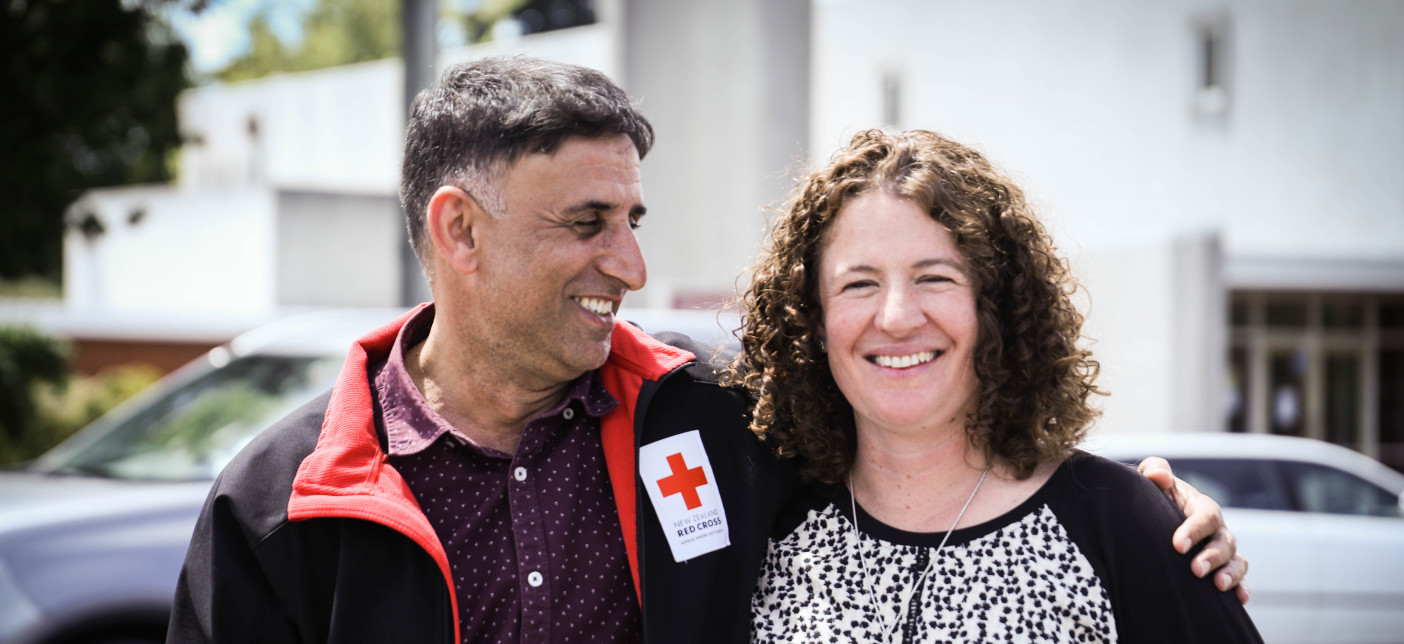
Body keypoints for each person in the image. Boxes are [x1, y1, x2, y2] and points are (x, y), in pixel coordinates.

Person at [167, 58, 1244, 644]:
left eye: (634, 219)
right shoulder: (281, 507)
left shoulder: (711, 416)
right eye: (587, 222)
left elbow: (924, 448)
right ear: (459, 231)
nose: (629, 265)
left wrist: (1151, 516)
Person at [732, 128, 1261, 642]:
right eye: (859, 283)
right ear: (814, 319)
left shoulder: (1121, 524)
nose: (895, 317)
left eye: (934, 277)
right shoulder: (765, 528)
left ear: (996, 309)